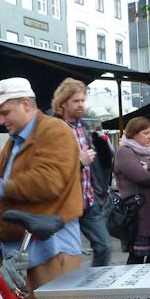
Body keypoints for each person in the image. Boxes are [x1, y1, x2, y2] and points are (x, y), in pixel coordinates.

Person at [0, 77, 83, 299]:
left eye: (5, 112)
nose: (1, 121)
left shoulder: (55, 130)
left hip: (50, 255)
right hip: (18, 254)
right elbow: (13, 187)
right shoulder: (15, 142)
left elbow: (48, 181)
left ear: (26, 104)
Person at [52, 78, 112, 266]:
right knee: (68, 253)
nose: (80, 105)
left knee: (105, 247)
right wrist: (78, 163)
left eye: (82, 100)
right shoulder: (53, 128)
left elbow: (95, 164)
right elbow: (50, 168)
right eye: (75, 101)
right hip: (66, 201)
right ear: (63, 102)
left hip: (88, 198)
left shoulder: (83, 127)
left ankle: (95, 288)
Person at [112, 117, 150, 264]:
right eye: (146, 133)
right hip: (136, 212)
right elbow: (142, 178)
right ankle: (132, 287)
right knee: (136, 257)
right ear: (134, 133)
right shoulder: (124, 152)